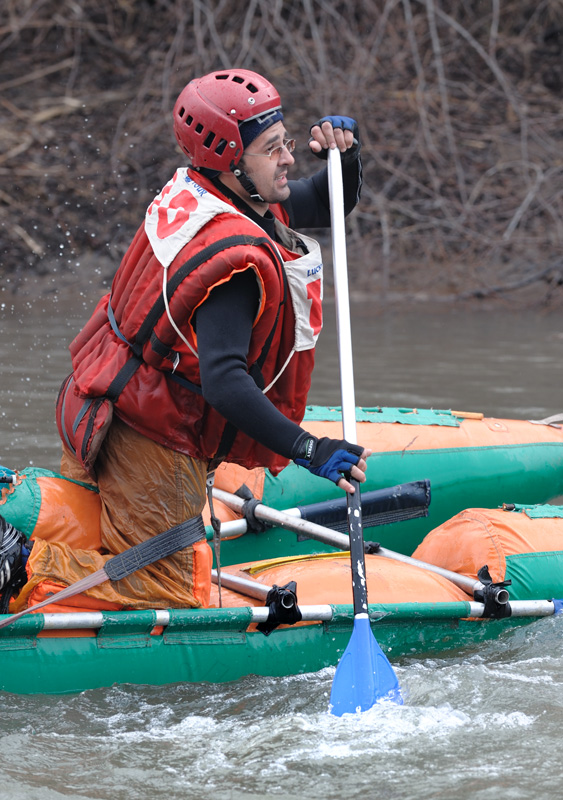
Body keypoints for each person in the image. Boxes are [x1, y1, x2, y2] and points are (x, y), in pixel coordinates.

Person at [8, 68, 370, 614]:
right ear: (231, 161)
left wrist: (346, 156)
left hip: (95, 399)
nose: (289, 159)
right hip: (151, 435)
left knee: (106, 537)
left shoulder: (202, 192)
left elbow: (327, 201)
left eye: (288, 143)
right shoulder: (237, 268)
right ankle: (17, 569)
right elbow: (225, 383)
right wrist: (309, 449)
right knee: (172, 587)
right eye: (273, 149)